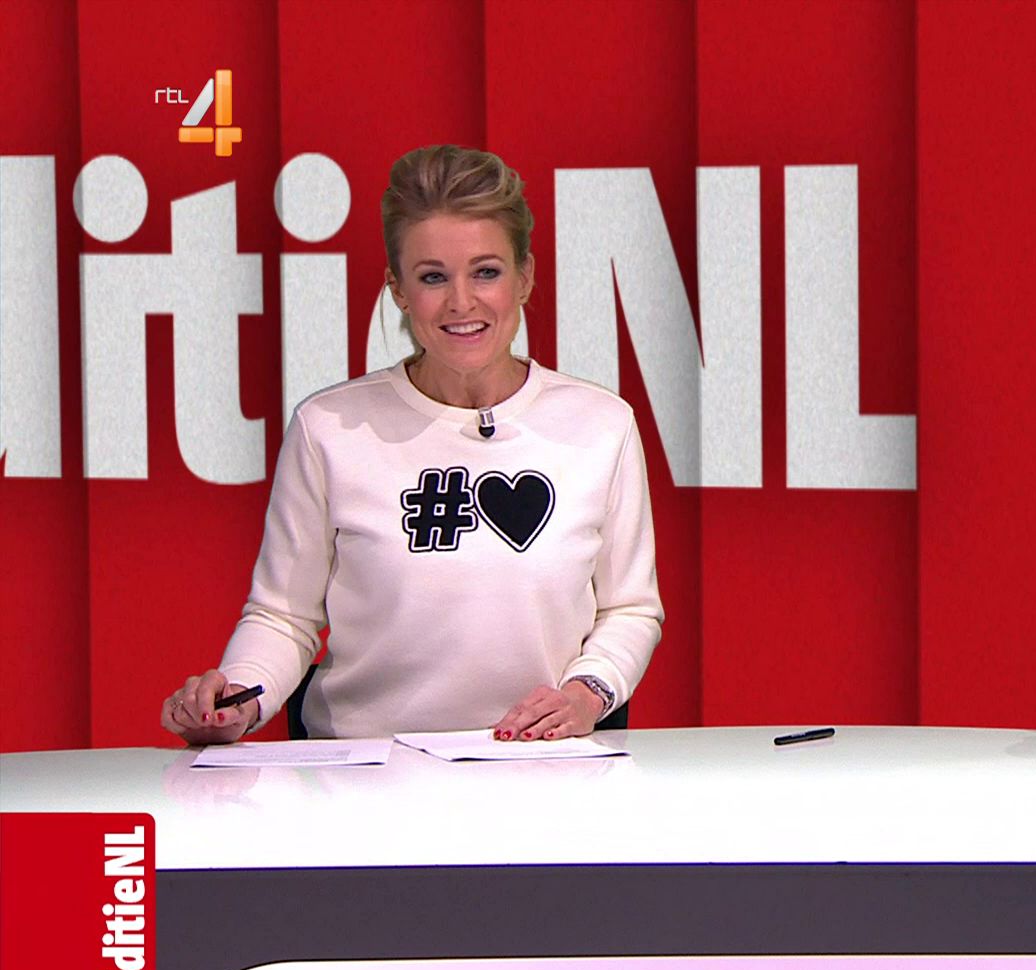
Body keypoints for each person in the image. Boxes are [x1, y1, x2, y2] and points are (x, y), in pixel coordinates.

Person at [161, 145, 662, 744]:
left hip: (544, 765)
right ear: (397, 288)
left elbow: (630, 608)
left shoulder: (602, 425)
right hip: (365, 771)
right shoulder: (328, 428)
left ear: (524, 277)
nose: (461, 302)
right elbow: (284, 615)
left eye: (486, 272)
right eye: (432, 277)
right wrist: (237, 701)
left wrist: (587, 693)